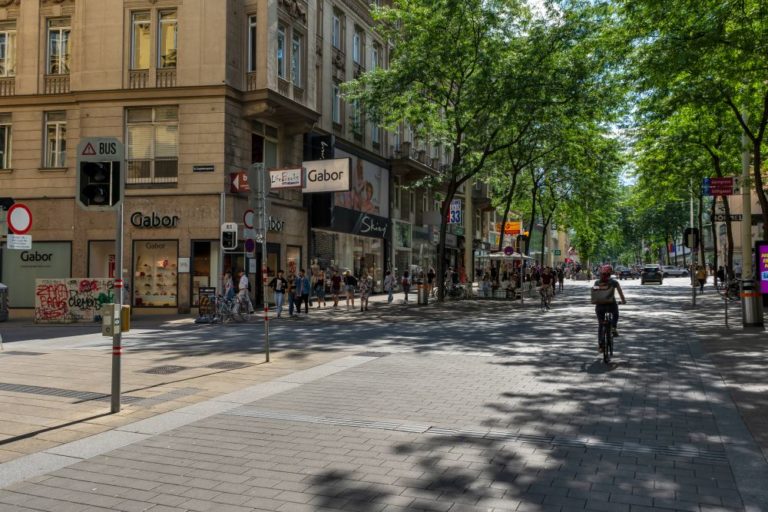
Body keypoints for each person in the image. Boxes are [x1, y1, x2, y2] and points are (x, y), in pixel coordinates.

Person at [593, 264, 626, 352]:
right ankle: (613, 327)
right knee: (615, 313)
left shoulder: (597, 282)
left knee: (601, 325)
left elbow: (594, 292)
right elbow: (620, 293)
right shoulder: (614, 282)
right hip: (611, 305)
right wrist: (623, 301)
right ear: (610, 273)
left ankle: (600, 346)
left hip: (600, 306)